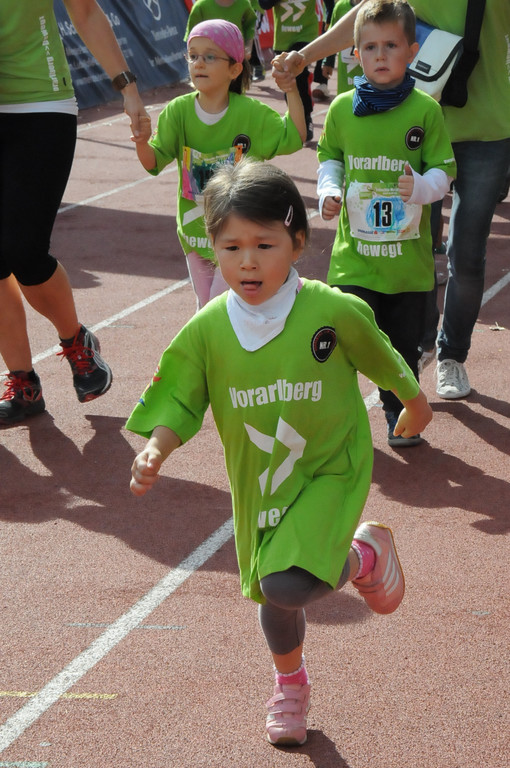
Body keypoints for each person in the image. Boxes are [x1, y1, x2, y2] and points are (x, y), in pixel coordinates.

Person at [127, 159, 432, 746]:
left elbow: (382, 355)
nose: (247, 261)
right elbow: (181, 395)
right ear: (212, 246)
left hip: (330, 467)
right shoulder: (208, 329)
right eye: (231, 245)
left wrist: (412, 402)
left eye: (264, 244)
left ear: (296, 241)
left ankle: (363, 554)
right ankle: (290, 683)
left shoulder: (329, 310)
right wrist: (156, 447)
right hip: (262, 481)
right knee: (272, 593)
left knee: (287, 585)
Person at [272, 0, 510, 400]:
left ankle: (451, 355)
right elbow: (365, 16)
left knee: (465, 252)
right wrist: (305, 56)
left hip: (489, 125)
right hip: (409, 116)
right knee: (410, 244)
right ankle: (414, 346)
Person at [0, 0, 148, 427]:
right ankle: (23, 383)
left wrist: (128, 88)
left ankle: (76, 340)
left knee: (23, 250)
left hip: (39, 104)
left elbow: (84, 11)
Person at [316, 0, 455, 446]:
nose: (380, 55)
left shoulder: (425, 111)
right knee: (344, 342)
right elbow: (330, 160)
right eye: (370, 46)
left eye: (391, 45)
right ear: (355, 53)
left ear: (412, 51)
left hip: (406, 265)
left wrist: (420, 187)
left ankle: (399, 415)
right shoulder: (340, 109)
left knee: (400, 347)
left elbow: (443, 172)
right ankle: (337, 421)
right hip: (354, 261)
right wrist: (328, 192)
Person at [131, 20, 305, 310]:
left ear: (234, 69)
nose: (199, 63)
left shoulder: (251, 114)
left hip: (239, 238)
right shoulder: (178, 112)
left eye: (210, 56)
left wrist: (292, 90)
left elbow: (296, 136)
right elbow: (153, 162)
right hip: (195, 235)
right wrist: (141, 142)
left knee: (218, 305)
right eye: (193, 55)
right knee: (208, 304)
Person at [258, 0, 319, 141]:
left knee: (301, 76)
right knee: (286, 79)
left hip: (306, 35)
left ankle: (306, 117)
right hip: (282, 39)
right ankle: (294, 116)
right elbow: (264, 4)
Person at [185, 0, 257, 59]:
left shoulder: (244, 3)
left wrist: (248, 46)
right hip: (209, 59)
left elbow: (250, 24)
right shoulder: (200, 6)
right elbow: (191, 36)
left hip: (236, 56)